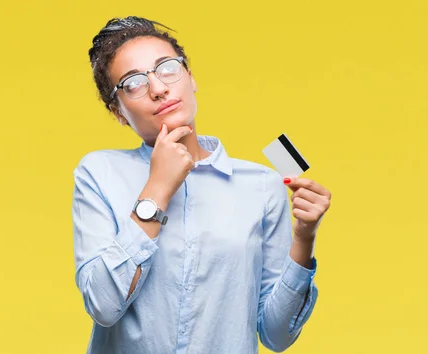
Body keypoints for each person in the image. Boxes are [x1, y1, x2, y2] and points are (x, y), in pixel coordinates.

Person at [72, 16, 332, 354]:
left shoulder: (262, 187)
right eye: (134, 82)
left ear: (190, 77)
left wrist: (304, 238)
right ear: (118, 111)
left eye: (167, 68)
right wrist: (157, 189)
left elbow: (277, 335)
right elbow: (104, 306)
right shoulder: (99, 173)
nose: (158, 88)